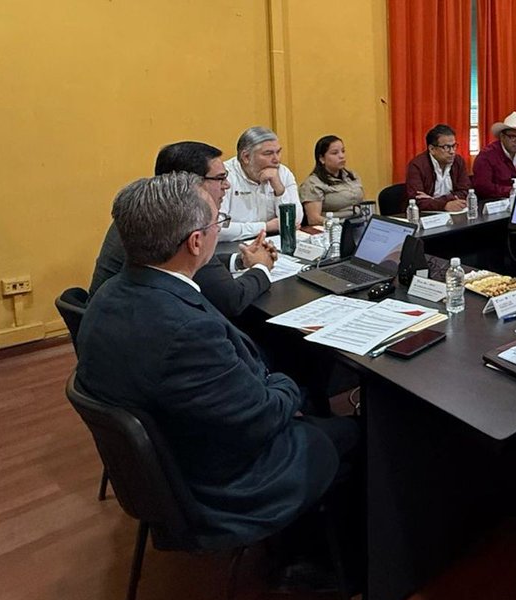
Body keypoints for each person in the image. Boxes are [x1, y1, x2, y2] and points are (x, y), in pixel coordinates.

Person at [77, 172, 358, 558]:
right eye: (217, 223)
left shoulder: (109, 295)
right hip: (225, 487)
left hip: (173, 460)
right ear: (195, 242)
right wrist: (289, 383)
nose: (218, 230)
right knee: (357, 432)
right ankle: (321, 562)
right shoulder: (186, 331)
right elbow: (260, 416)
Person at [89, 141, 277, 318]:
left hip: (112, 318)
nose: (226, 185)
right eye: (220, 179)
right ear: (191, 183)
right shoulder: (180, 223)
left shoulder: (145, 209)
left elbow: (194, 266)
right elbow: (231, 300)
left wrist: (239, 261)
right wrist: (262, 266)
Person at [220, 126, 301, 242]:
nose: (276, 159)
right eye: (268, 153)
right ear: (246, 157)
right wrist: (266, 227)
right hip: (231, 246)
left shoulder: (283, 173)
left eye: (278, 152)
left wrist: (279, 189)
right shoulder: (224, 176)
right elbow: (217, 229)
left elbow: (295, 221)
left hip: (272, 243)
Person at [300, 135, 365, 226]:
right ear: (322, 158)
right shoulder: (313, 183)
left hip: (358, 223)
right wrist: (338, 224)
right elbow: (313, 219)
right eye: (335, 153)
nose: (341, 156)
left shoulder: (352, 176)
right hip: (334, 228)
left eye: (343, 151)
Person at [404, 124, 470, 212]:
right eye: (446, 147)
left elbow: (465, 191)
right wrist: (444, 205)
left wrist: (432, 200)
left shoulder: (458, 161)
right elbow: (416, 201)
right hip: (427, 216)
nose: (452, 151)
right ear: (432, 149)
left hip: (454, 212)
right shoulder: (417, 165)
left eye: (454, 146)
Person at [472, 111, 516, 200]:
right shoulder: (486, 156)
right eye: (512, 137)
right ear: (502, 136)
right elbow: (482, 188)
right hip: (494, 204)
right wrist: (511, 191)